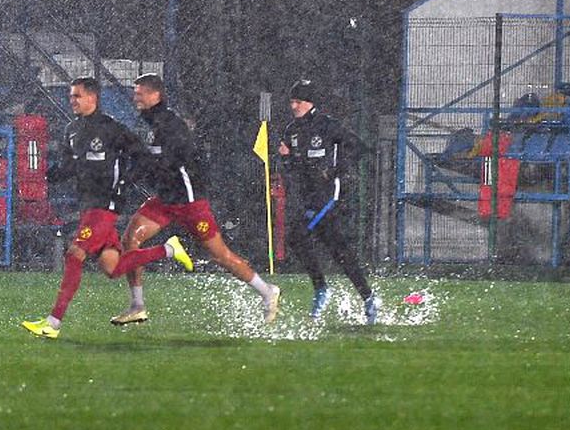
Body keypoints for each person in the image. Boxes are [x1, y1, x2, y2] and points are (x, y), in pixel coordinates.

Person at [22, 77, 193, 340]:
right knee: (112, 268)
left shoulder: (111, 128)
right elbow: (68, 167)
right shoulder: (71, 130)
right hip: (88, 205)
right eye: (71, 96)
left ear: (93, 98)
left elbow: (142, 156)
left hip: (106, 203)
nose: (73, 101)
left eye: (77, 96)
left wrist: (124, 182)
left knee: (75, 255)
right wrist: (45, 176)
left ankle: (53, 323)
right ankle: (169, 249)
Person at [110, 74, 281, 326]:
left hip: (189, 201)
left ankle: (267, 291)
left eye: (140, 92)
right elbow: (151, 161)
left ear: (155, 95)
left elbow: (179, 160)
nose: (136, 96)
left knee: (221, 256)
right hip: (165, 199)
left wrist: (143, 170)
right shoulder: (151, 122)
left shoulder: (170, 123)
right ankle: (137, 306)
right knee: (130, 239)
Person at [278, 79, 379, 323]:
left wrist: (334, 171)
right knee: (339, 251)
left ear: (309, 102)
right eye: (292, 101)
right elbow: (292, 166)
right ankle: (368, 298)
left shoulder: (327, 126)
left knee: (296, 235)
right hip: (306, 197)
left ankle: (322, 289)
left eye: (298, 101)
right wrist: (286, 158)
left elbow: (359, 147)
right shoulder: (291, 131)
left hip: (327, 197)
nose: (294, 106)